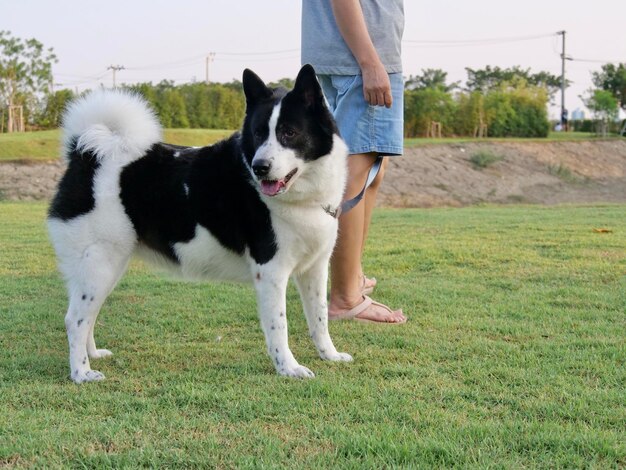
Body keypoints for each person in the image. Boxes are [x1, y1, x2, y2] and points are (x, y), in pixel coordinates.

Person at [301, 0, 407, 323]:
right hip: (360, 57)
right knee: (354, 177)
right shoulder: (366, 60)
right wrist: (370, 61)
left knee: (372, 169)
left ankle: (352, 275)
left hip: (340, 52)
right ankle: (346, 298)